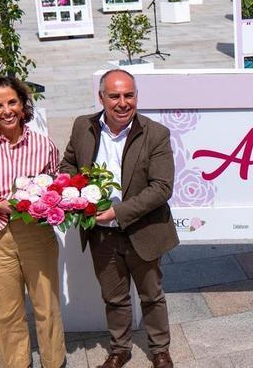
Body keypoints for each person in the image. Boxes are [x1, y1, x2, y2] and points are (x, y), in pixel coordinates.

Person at [60, 69, 178, 368]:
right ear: (101, 97)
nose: (123, 103)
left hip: (143, 229)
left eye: (129, 95)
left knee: (151, 295)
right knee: (114, 297)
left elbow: (161, 187)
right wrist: (77, 196)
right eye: (115, 96)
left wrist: (118, 212)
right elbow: (68, 164)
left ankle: (160, 350)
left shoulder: (156, 133)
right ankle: (119, 349)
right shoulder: (83, 126)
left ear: (137, 96)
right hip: (102, 234)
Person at [0, 76, 66, 368]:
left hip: (36, 232)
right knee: (5, 309)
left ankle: (54, 361)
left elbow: (55, 185)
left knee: (47, 303)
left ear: (22, 105)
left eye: (12, 102)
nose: (6, 110)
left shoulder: (44, 145)